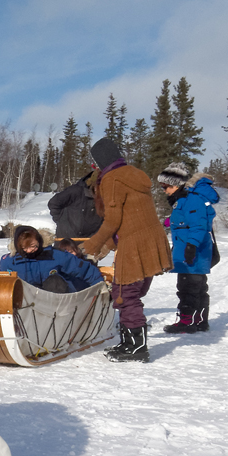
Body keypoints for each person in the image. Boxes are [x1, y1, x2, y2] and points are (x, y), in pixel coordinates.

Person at [80, 138, 172, 362]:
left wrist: (91, 245)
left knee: (124, 295)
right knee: (131, 293)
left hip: (134, 244)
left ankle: (136, 348)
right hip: (151, 241)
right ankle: (131, 343)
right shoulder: (134, 174)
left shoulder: (112, 178)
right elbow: (131, 217)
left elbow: (113, 221)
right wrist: (109, 245)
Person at [157, 162, 219, 333]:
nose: (164, 190)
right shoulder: (184, 199)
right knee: (197, 288)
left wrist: (191, 246)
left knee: (187, 288)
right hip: (191, 251)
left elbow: (198, 226)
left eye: (166, 186)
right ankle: (199, 321)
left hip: (192, 252)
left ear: (176, 184)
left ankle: (187, 322)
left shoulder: (192, 199)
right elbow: (187, 220)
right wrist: (170, 221)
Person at [0, 225, 104, 293]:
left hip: (59, 300)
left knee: (54, 281)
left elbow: (83, 269)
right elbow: (4, 282)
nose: (30, 250)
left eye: (33, 245)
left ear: (39, 242)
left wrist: (99, 285)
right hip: (27, 303)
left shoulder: (55, 255)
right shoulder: (10, 262)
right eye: (25, 247)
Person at [47, 169, 103, 239]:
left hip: (89, 243)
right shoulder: (75, 191)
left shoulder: (106, 199)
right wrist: (62, 222)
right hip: (66, 242)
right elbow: (54, 203)